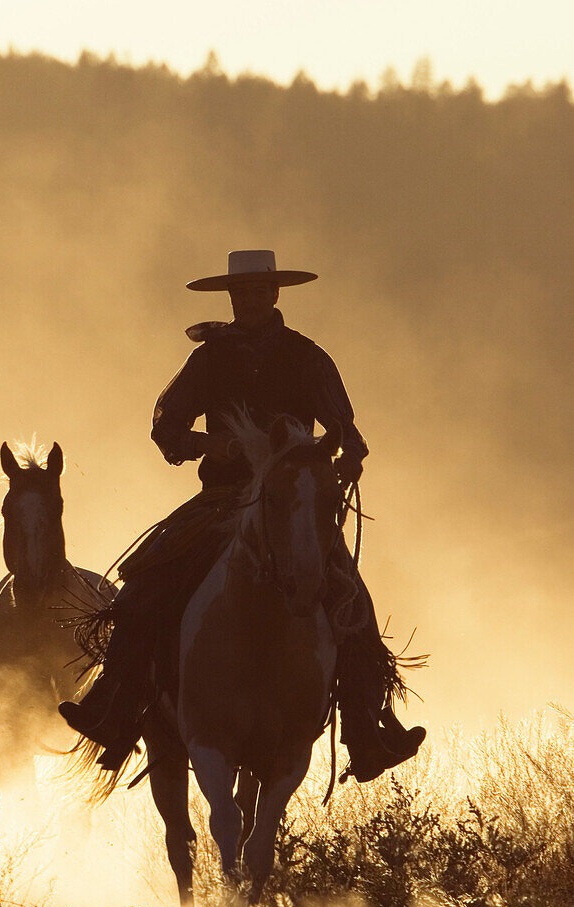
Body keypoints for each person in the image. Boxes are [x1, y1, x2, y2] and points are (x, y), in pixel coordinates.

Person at [60, 250, 425, 781]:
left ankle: (366, 729)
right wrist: (215, 446)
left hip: (293, 502)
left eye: (259, 291)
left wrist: (343, 463)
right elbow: (167, 431)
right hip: (222, 499)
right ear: (231, 298)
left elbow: (349, 433)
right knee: (145, 583)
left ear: (275, 295)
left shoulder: (307, 357)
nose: (250, 299)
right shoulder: (209, 360)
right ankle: (115, 709)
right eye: (241, 292)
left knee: (352, 601)